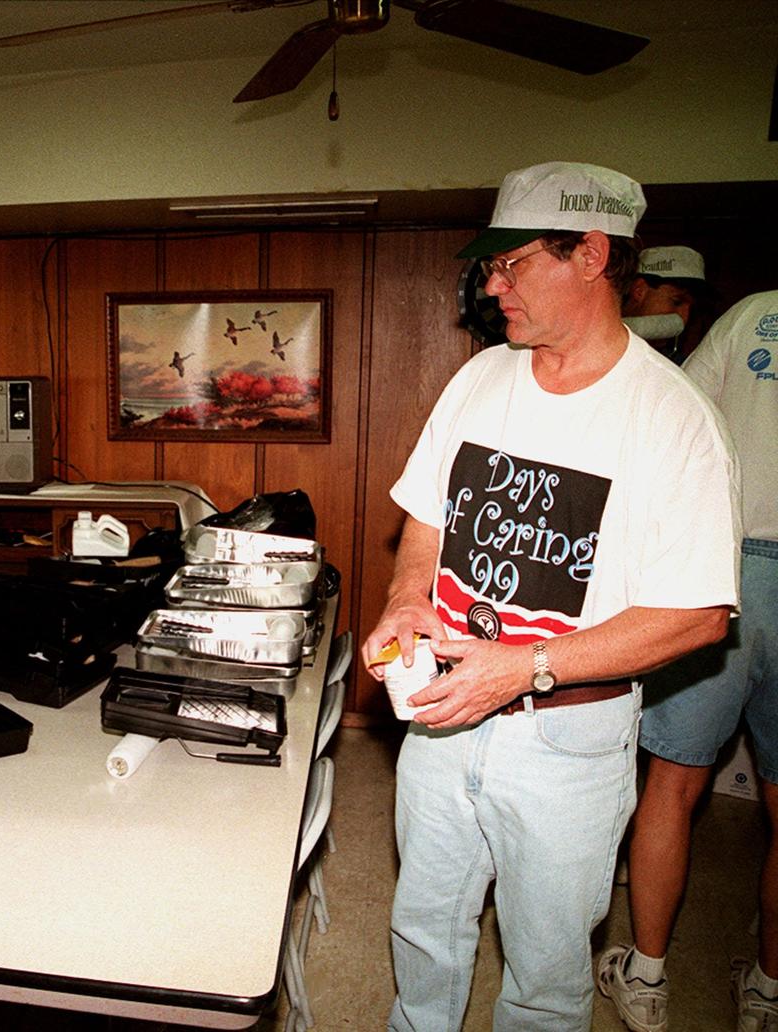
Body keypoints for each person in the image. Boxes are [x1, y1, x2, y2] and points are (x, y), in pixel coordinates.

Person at [359, 161, 740, 1031]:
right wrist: (407, 600)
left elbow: (697, 615)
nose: (492, 288)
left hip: (569, 744)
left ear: (593, 255)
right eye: (490, 268)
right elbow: (427, 518)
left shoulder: (675, 419)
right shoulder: (480, 378)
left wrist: (523, 668)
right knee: (423, 931)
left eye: (513, 264)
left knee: (543, 972)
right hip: (442, 713)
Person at [598, 289, 778, 1032]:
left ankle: (645, 978)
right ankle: (768, 991)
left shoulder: (753, 314)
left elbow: (678, 412)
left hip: (726, 565)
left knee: (672, 788)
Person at [621, 244, 710, 363]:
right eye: (676, 302)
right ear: (639, 290)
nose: (684, 318)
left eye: (692, 309)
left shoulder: (679, 366)